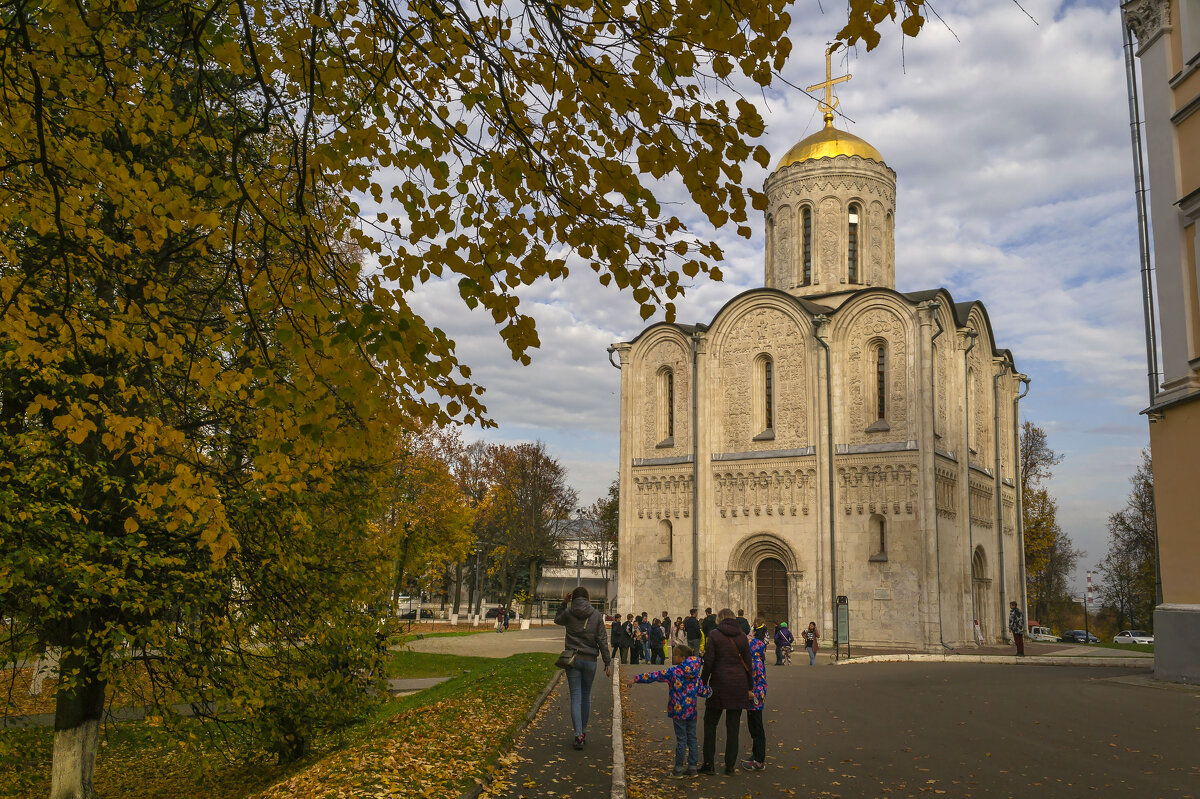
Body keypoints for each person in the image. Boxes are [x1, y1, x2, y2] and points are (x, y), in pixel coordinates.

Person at [633, 644, 706, 778]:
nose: (673, 657)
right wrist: (713, 692)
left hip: (678, 711)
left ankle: (678, 769)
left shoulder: (674, 671)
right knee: (692, 738)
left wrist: (636, 678)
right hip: (691, 710)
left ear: (682, 658)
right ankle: (692, 768)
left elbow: (654, 676)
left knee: (681, 740)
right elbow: (702, 691)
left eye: (675, 655)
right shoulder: (696, 673)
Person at [555, 587, 613, 750]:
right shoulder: (595, 615)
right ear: (588, 598)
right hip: (590, 661)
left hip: (572, 660)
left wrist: (563, 603)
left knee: (575, 696)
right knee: (586, 695)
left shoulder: (569, 613)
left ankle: (578, 735)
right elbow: (602, 639)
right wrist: (607, 662)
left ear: (573, 598)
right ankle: (584, 731)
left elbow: (557, 619)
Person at [699, 608, 753, 776]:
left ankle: (709, 764)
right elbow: (748, 663)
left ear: (720, 619)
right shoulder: (743, 636)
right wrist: (749, 686)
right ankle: (730, 766)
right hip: (738, 685)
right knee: (733, 727)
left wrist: (703, 683)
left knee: (710, 724)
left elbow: (708, 661)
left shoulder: (714, 635)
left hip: (719, 684)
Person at [742, 623, 768, 771]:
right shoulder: (754, 662)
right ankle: (756, 754)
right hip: (753, 701)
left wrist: (754, 695)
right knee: (753, 728)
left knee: (757, 730)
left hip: (755, 700)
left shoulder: (756, 664)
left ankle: (759, 761)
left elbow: (761, 683)